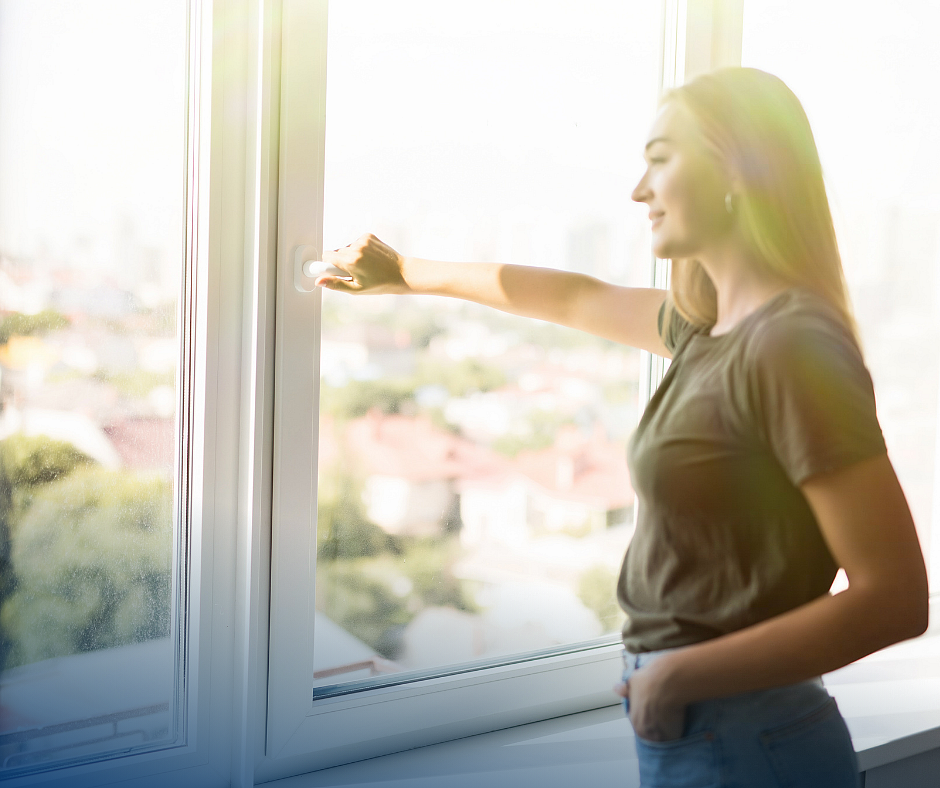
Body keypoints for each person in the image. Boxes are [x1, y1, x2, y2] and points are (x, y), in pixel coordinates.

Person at [315, 67, 929, 787]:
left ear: (737, 169)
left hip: (746, 738)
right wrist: (404, 271)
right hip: (715, 730)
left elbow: (894, 599)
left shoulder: (790, 347)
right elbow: (575, 298)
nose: (640, 190)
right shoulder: (710, 332)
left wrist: (678, 677)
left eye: (661, 159)